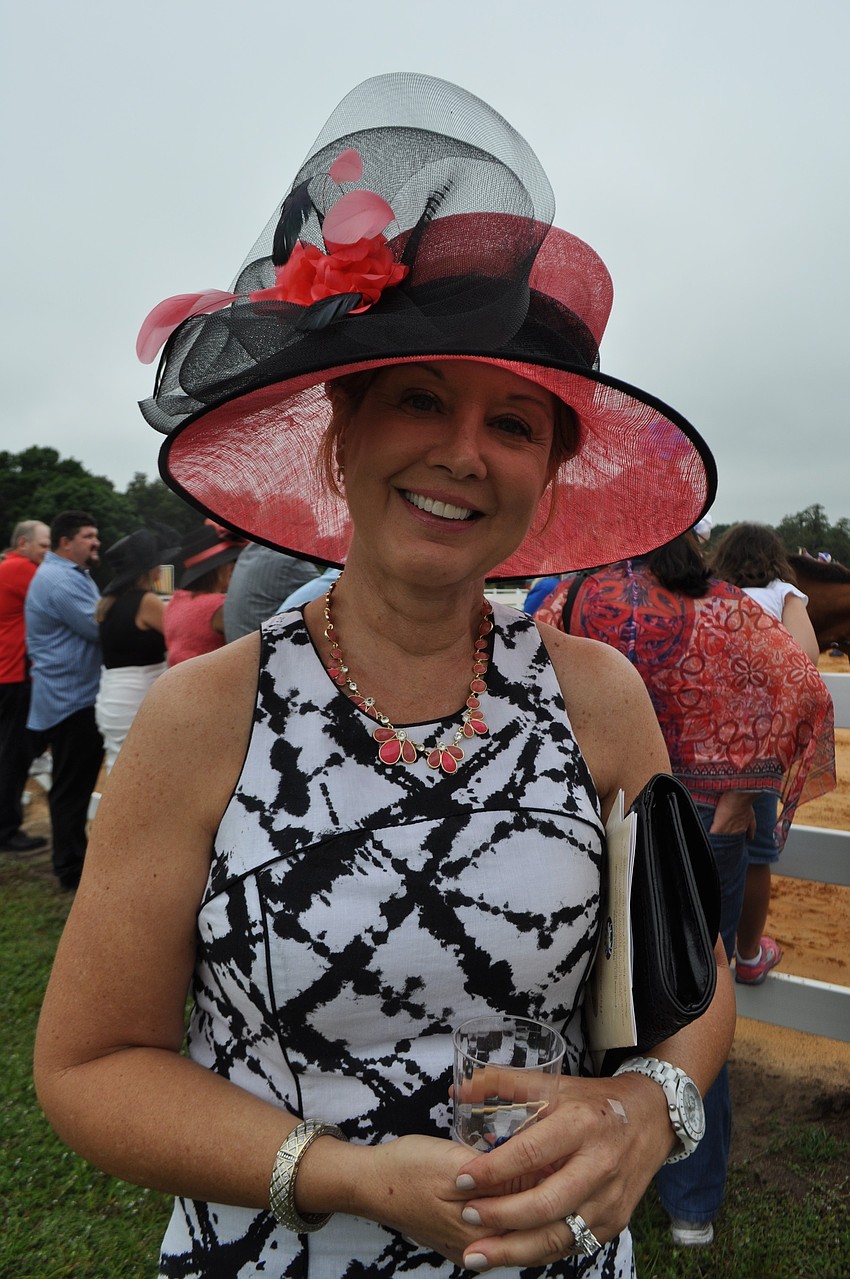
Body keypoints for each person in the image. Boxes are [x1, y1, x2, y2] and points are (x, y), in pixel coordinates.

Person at [36, 73, 734, 1279]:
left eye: (516, 424)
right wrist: (346, 1173)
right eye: (421, 399)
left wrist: (647, 1109)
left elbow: (692, 981)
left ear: (546, 474)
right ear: (341, 434)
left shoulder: (598, 694)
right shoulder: (208, 715)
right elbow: (91, 1067)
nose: (464, 452)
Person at [534, 533, 834, 1248]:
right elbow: (801, 682)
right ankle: (690, 1207)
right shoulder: (724, 606)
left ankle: (592, 1176)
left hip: (599, 808)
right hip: (706, 817)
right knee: (699, 994)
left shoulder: (581, 592)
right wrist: (738, 790)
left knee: (593, 990)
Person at [710, 521, 821, 985]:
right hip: (758, 742)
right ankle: (749, 953)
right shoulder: (783, 593)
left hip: (704, 738)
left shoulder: (711, 591)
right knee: (755, 853)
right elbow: (807, 657)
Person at [25, 510, 104, 890]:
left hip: (69, 695)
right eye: (88, 536)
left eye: (95, 535)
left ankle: (72, 860)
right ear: (65, 542)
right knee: (71, 787)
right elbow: (96, 627)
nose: (96, 542)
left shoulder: (71, 574)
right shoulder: (61, 580)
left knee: (70, 783)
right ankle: (70, 869)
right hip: (71, 700)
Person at [94, 527, 172, 772]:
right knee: (141, 771)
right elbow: (178, 632)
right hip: (136, 696)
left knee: (118, 769)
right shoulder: (146, 601)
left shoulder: (108, 603)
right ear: (148, 569)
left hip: (112, 694)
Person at [0, 519, 51, 852]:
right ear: (22, 544)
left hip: (10, 672)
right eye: (45, 546)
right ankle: (6, 830)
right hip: (15, 674)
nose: (49, 555)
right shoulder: (20, 569)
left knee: (13, 751)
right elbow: (55, 592)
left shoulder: (10, 566)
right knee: (13, 755)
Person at [163, 523, 244, 665]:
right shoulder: (219, 605)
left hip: (179, 682)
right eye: (231, 562)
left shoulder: (177, 601)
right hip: (212, 682)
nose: (235, 567)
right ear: (218, 569)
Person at [223, 542, 320, 640]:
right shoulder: (288, 559)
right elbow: (329, 600)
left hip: (242, 647)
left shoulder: (251, 550)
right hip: (266, 651)